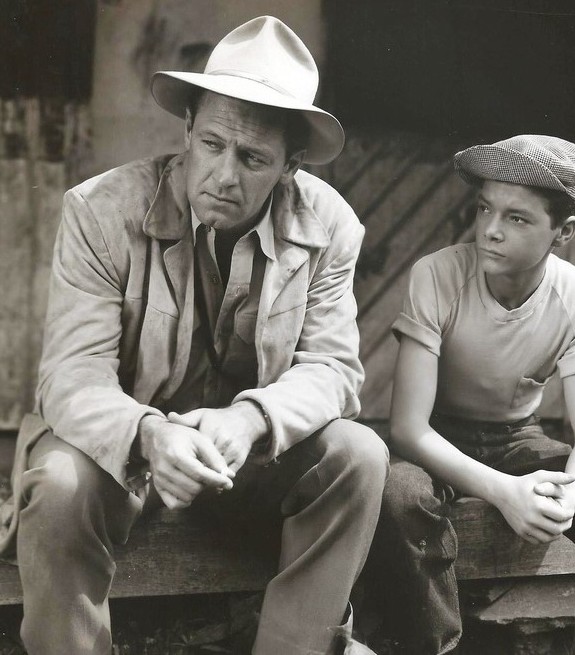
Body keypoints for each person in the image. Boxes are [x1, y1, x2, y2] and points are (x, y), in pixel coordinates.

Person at [1, 16, 388, 655]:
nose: (223, 175)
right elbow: (71, 377)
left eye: (253, 158)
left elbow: (334, 369)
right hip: (120, 462)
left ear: (291, 166)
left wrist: (250, 422)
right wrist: (150, 435)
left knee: (358, 454)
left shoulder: (330, 227)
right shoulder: (100, 211)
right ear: (186, 130)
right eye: (210, 144)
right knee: (59, 484)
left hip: (244, 466)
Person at [367, 135, 575, 654]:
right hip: (435, 440)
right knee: (399, 497)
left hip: (518, 440)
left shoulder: (574, 294)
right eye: (485, 208)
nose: (490, 230)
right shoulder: (437, 275)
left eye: (517, 218)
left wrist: (567, 499)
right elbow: (408, 428)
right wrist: (505, 493)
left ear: (564, 231)